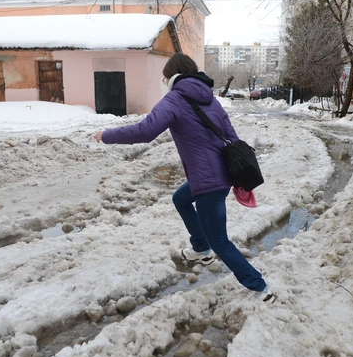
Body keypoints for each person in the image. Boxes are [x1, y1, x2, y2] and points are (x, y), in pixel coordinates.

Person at [94, 53, 275, 304]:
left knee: (220, 242)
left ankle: (260, 288)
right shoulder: (211, 100)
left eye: (164, 77)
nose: (163, 81)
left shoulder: (175, 99)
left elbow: (145, 131)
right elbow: (232, 137)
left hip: (208, 183)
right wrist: (234, 175)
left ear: (172, 76)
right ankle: (200, 249)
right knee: (180, 198)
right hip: (218, 173)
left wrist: (106, 135)